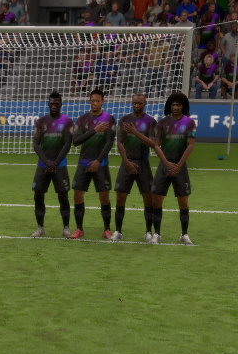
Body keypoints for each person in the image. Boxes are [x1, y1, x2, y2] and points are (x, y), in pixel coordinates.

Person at [149, 92, 196, 246]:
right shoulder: (162, 123)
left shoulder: (189, 123)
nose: (175, 107)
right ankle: (157, 234)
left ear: (183, 106)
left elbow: (190, 146)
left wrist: (178, 165)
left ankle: (184, 234)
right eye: (173, 105)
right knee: (157, 200)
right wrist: (167, 163)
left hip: (180, 167)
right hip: (164, 166)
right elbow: (156, 145)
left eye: (178, 105)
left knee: (183, 202)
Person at [69, 88, 116, 240]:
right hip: (83, 164)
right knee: (77, 196)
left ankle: (107, 229)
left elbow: (109, 143)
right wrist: (94, 131)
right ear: (89, 101)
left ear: (102, 102)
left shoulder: (109, 119)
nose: (94, 103)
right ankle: (79, 229)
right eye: (92, 101)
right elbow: (76, 141)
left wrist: (98, 161)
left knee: (104, 197)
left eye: (97, 101)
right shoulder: (81, 119)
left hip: (101, 164)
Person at [29, 91, 75, 238]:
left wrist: (55, 163)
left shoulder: (67, 121)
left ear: (61, 104)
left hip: (59, 166)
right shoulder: (40, 122)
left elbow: (67, 144)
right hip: (43, 165)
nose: (53, 106)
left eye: (56, 104)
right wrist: (46, 162)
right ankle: (40, 227)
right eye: (51, 104)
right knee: (38, 195)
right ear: (48, 104)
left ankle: (66, 228)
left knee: (63, 196)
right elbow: (36, 144)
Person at [114, 92, 158, 242]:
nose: (136, 105)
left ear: (145, 104)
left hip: (143, 163)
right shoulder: (124, 120)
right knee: (120, 197)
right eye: (134, 103)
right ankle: (118, 231)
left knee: (148, 198)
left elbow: (152, 143)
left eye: (139, 103)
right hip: (127, 162)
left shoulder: (151, 121)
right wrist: (126, 161)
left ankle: (148, 232)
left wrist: (135, 132)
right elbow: (119, 142)